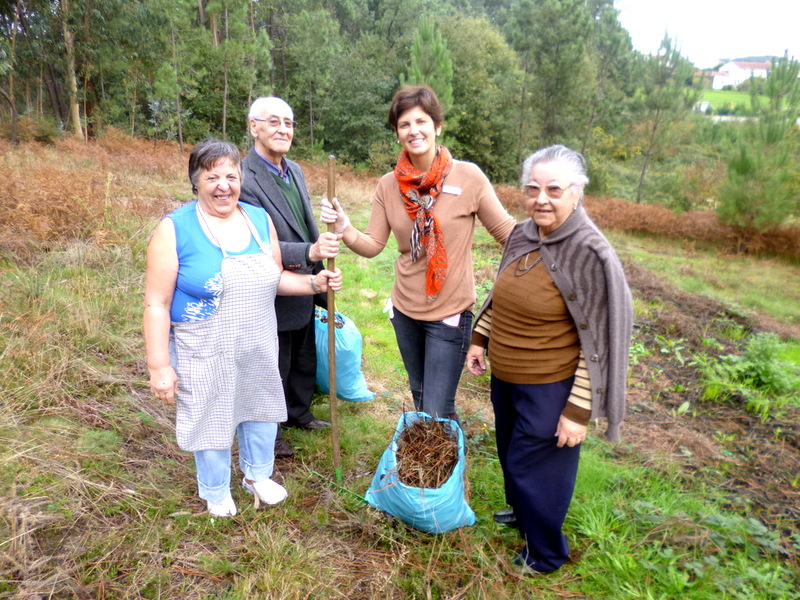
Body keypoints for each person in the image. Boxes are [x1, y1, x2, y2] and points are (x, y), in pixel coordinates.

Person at [144, 139, 342, 517]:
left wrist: (314, 284)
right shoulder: (175, 228)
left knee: (260, 405)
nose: (223, 185)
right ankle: (216, 491)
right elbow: (157, 303)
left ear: (240, 180)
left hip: (257, 339)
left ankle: (258, 475)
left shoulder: (257, 219)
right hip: (203, 344)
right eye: (212, 176)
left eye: (231, 176)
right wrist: (159, 366)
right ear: (196, 182)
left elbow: (276, 278)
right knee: (212, 413)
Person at [465, 144, 633, 573]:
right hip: (507, 376)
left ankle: (546, 553)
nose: (541, 198)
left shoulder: (590, 252)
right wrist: (480, 340)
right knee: (510, 452)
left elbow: (601, 340)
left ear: (576, 192)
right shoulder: (523, 233)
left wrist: (578, 411)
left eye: (554, 189)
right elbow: (499, 296)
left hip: (551, 384)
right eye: (533, 188)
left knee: (535, 466)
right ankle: (525, 517)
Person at [321, 85, 515, 420]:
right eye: (405, 124)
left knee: (438, 409)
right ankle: (429, 465)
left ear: (437, 126)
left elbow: (509, 235)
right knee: (422, 398)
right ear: (397, 133)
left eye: (421, 121)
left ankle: (449, 469)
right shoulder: (388, 185)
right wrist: (343, 227)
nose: (414, 130)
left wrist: (556, 239)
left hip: (449, 313)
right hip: (405, 311)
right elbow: (372, 245)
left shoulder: (469, 177)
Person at [239, 97, 341, 458]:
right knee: (274, 361)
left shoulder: (293, 170)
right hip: (272, 281)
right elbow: (256, 238)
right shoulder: (243, 176)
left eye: (290, 123)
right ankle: (270, 426)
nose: (283, 129)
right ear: (254, 126)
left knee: (302, 354)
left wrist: (319, 252)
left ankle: (298, 412)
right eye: (274, 122)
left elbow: (302, 221)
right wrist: (308, 252)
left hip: (305, 279)